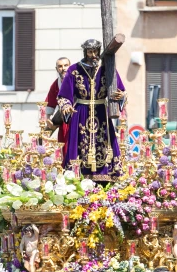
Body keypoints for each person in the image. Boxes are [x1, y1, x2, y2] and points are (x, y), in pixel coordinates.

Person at [58, 39, 126, 182]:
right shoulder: (74, 70)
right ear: (85, 52)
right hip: (81, 113)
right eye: (90, 51)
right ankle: (75, 178)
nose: (93, 54)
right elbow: (64, 95)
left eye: (95, 51)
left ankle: (108, 178)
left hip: (101, 113)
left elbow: (121, 90)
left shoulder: (107, 68)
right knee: (79, 145)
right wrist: (66, 106)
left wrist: (122, 96)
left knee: (105, 144)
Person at [45, 57, 71, 151]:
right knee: (64, 147)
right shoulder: (56, 84)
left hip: (78, 119)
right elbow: (50, 103)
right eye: (60, 66)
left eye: (65, 65)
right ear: (56, 69)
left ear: (70, 66)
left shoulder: (78, 81)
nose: (63, 68)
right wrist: (48, 119)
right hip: (63, 121)